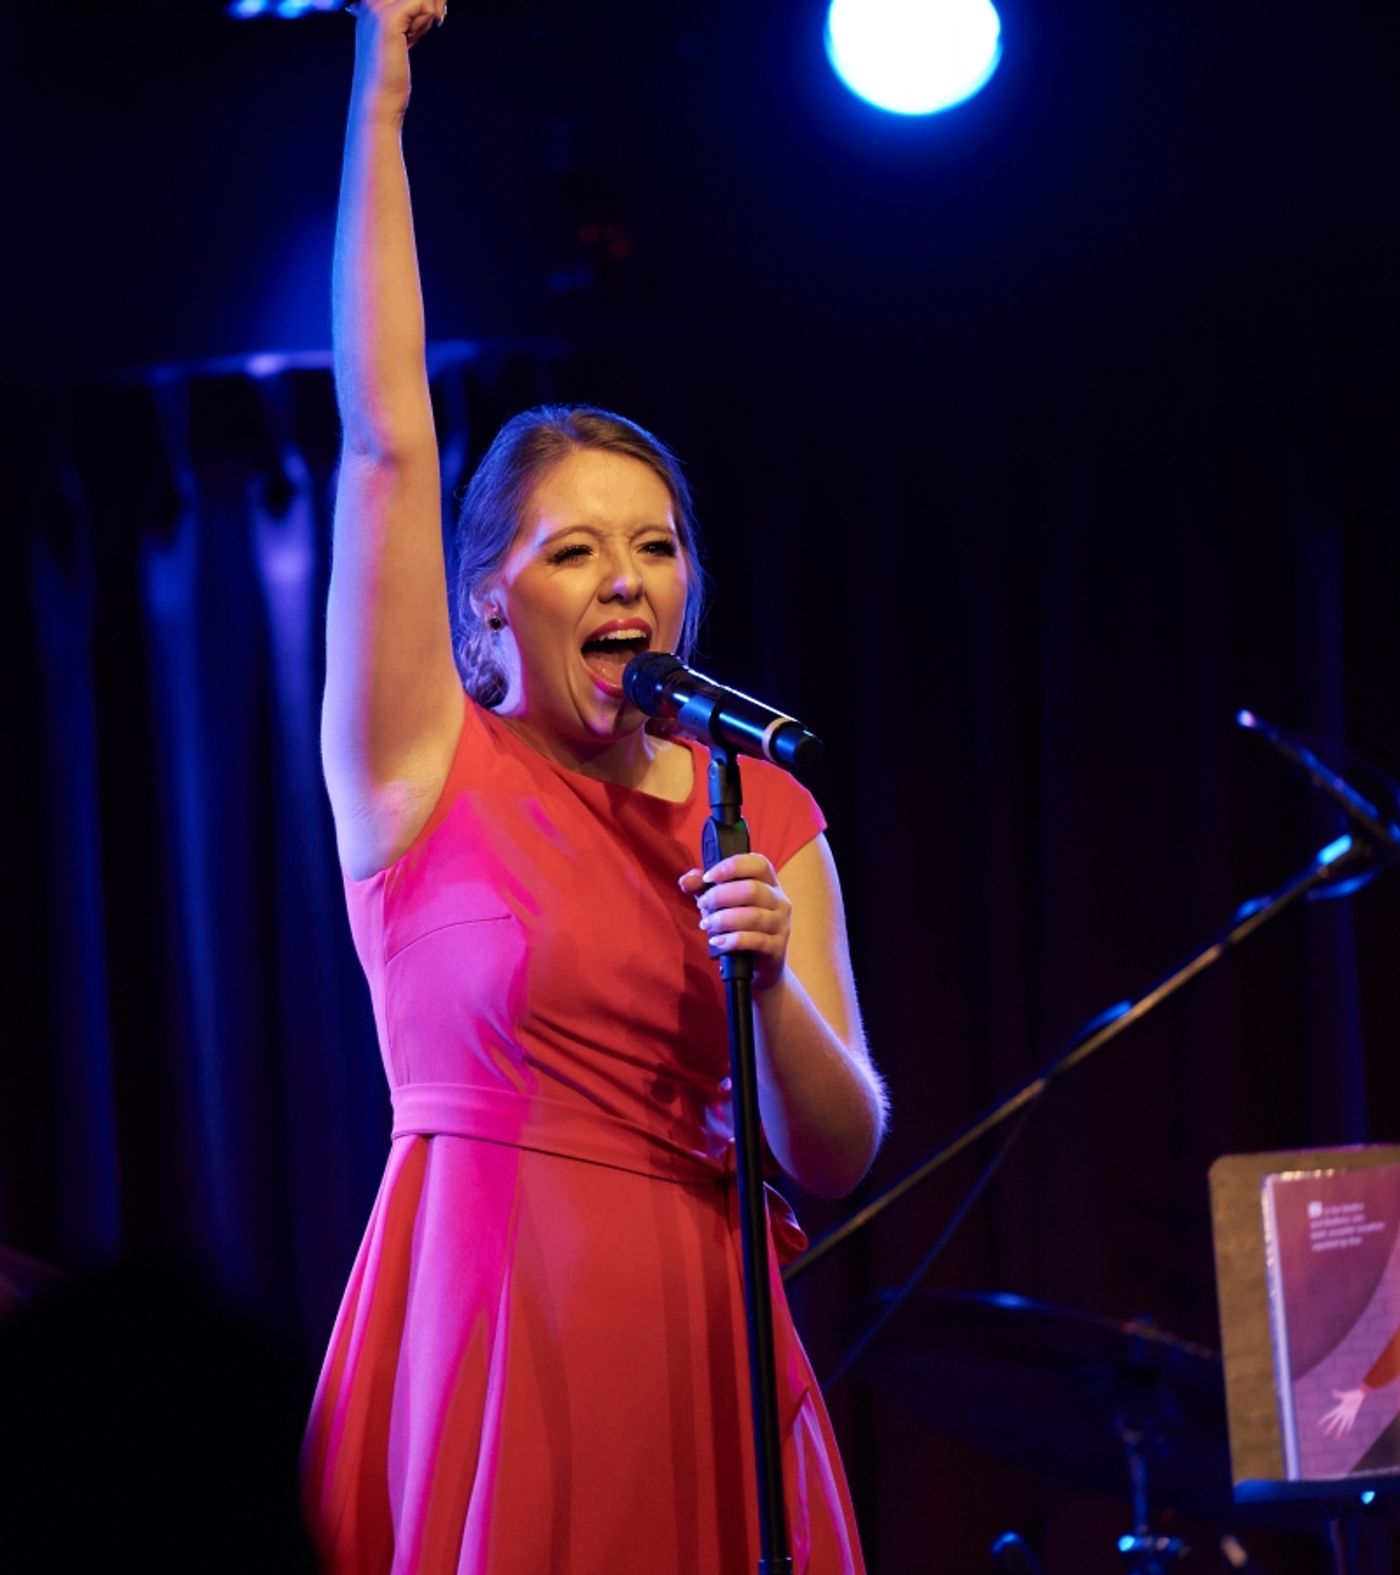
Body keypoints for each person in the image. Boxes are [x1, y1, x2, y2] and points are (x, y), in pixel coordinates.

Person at [301, 4, 889, 1570]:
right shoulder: (423, 758)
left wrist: (766, 989)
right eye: (574, 550)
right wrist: (382, 89)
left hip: (708, 1340)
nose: (626, 578)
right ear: (488, 597)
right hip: (490, 1328)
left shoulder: (758, 802)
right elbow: (382, 443)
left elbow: (839, 1148)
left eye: (656, 545)